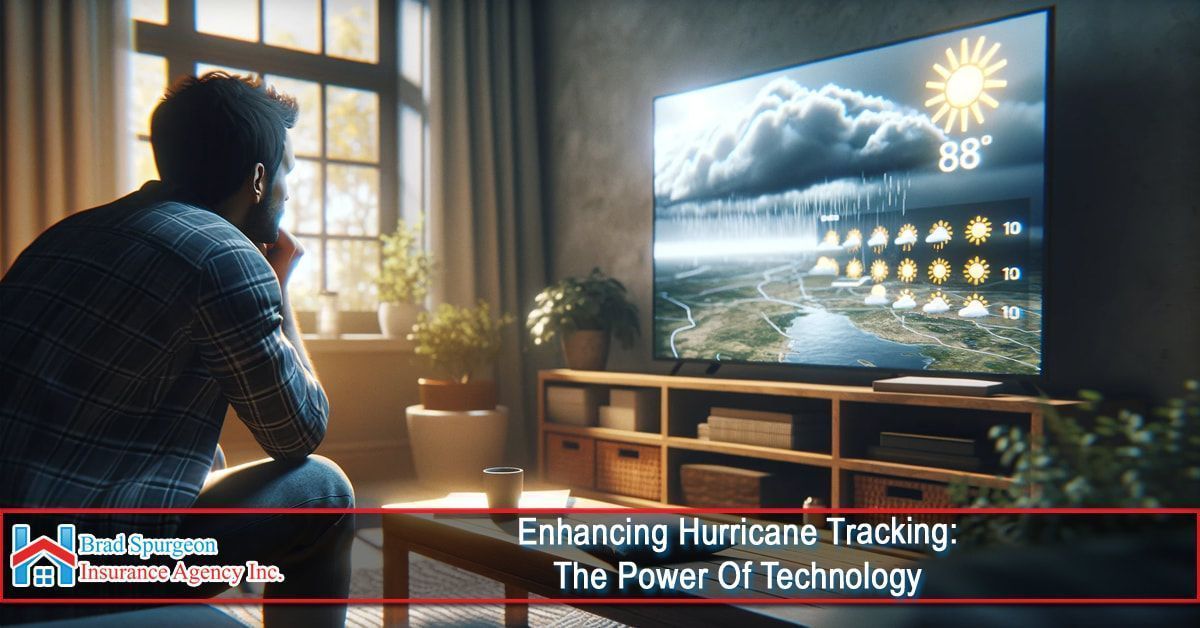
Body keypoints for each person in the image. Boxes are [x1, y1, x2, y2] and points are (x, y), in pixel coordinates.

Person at [0, 73, 353, 626]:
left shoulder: (66, 236)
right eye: (287, 174)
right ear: (258, 179)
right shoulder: (225, 256)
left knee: (208, 460)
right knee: (324, 491)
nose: (287, 191)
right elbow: (299, 431)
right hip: (72, 568)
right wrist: (279, 285)